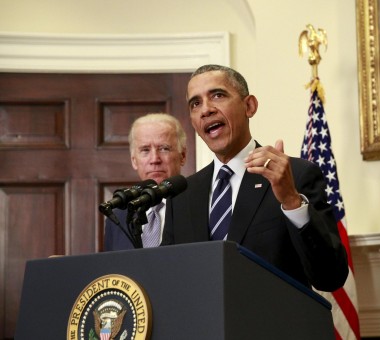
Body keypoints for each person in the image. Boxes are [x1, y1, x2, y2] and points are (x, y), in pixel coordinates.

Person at [166, 64, 348, 292]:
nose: (206, 110)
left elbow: (330, 277)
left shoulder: (296, 175)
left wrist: (291, 201)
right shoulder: (182, 194)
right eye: (195, 103)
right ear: (192, 121)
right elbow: (170, 279)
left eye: (218, 95)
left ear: (249, 106)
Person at [103, 113, 187, 251]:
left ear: (182, 156)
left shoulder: (197, 205)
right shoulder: (118, 218)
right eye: (145, 150)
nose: (154, 159)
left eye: (164, 148)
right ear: (134, 161)